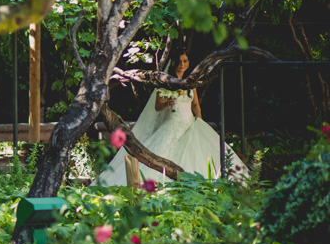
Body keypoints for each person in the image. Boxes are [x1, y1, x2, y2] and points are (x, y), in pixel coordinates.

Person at [95, 53, 247, 186]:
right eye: (180, 61)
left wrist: (199, 121)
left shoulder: (190, 83)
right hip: (172, 122)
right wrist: (168, 102)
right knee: (162, 150)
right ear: (173, 63)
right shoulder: (167, 82)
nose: (182, 64)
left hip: (189, 123)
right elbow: (157, 106)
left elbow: (195, 105)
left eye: (185, 61)